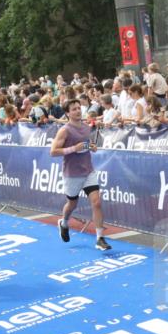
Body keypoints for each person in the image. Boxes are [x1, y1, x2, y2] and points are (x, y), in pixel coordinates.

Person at [50, 99, 112, 251]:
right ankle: (64, 222)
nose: (77, 111)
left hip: (88, 171)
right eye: (74, 109)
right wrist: (73, 149)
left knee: (96, 202)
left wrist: (92, 147)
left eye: (79, 108)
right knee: (72, 204)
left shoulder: (86, 128)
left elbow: (87, 144)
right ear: (67, 113)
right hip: (72, 173)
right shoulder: (64, 130)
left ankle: (100, 238)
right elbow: (53, 152)